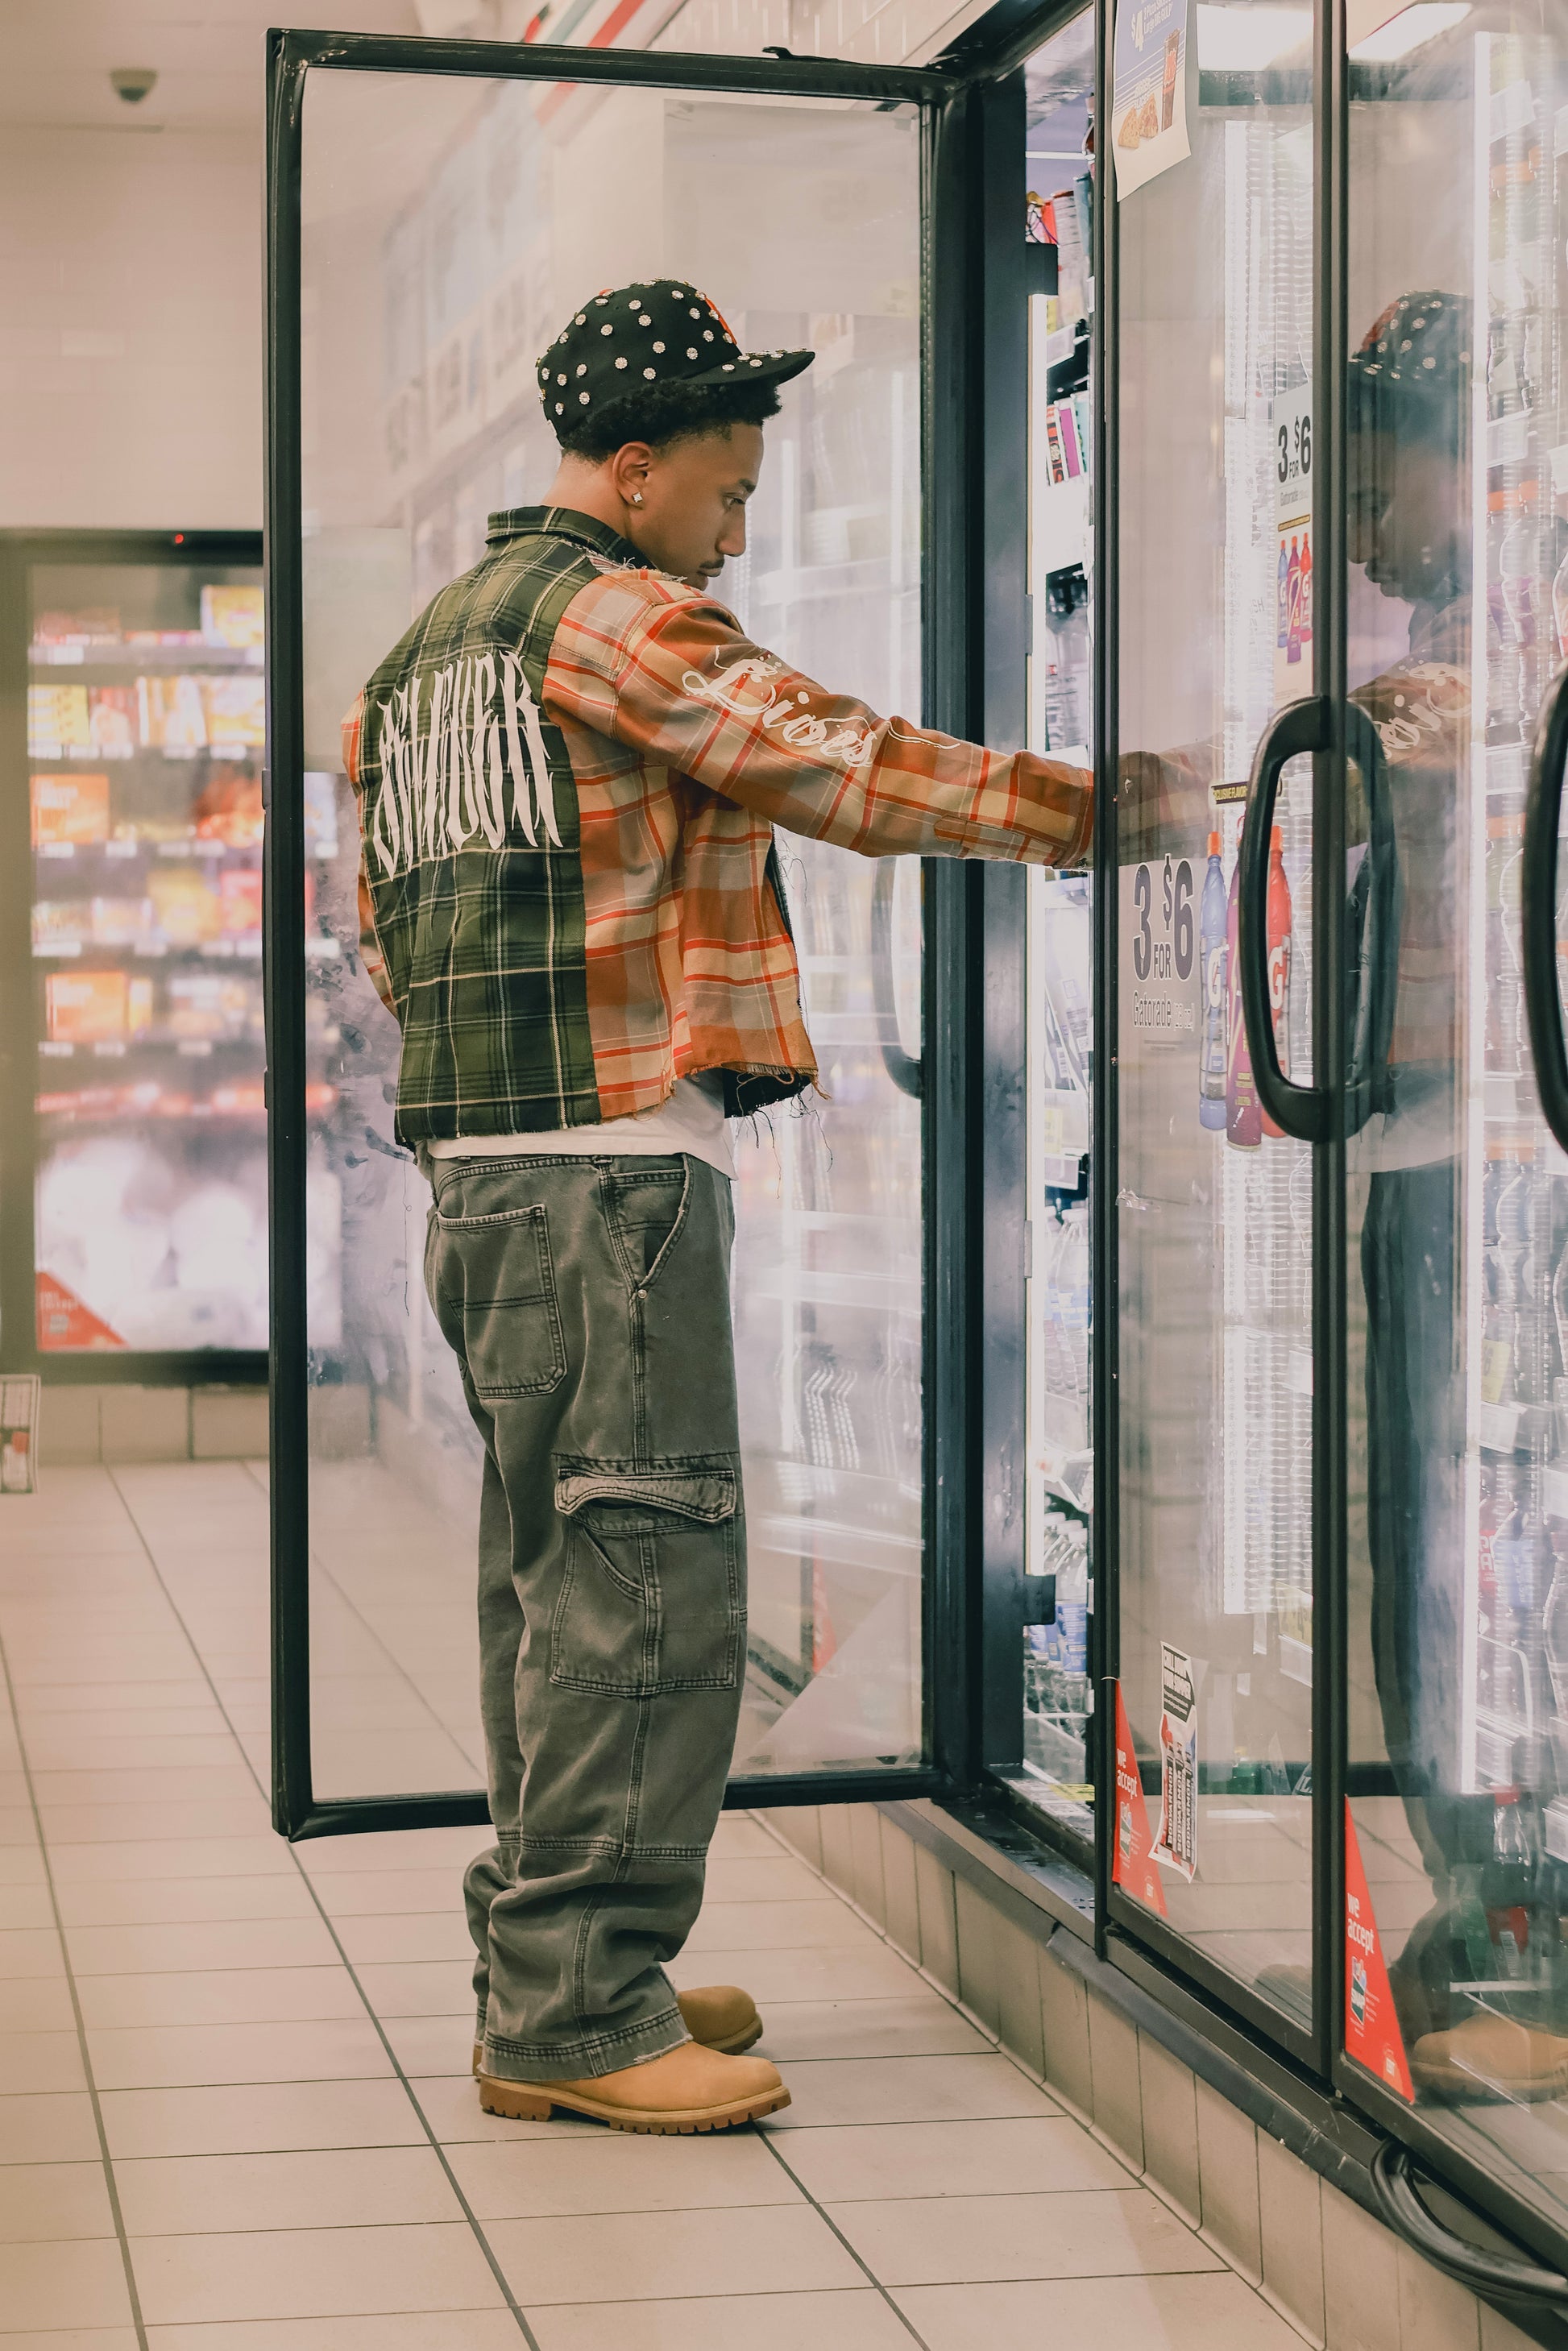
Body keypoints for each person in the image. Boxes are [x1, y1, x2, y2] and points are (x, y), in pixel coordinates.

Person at [342, 278, 1093, 2135]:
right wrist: (1105, 810)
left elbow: (384, 931)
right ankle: (582, 2011)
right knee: (651, 1587)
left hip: (486, 1178)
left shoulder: (418, 660)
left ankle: (557, 1963)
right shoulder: (615, 623)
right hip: (611, 1177)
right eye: (728, 493)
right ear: (634, 467)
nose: (738, 531)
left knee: (558, 1587)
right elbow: (837, 758)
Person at [1346, 291, 1568, 2103]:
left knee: (1492, 1556)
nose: (1353, 526)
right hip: (1423, 1151)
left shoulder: (1525, 606)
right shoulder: (1421, 638)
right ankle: (1479, 1915)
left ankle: (1529, 1938)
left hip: (1516, 1173)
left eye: (1373, 471)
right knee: (1416, 1548)